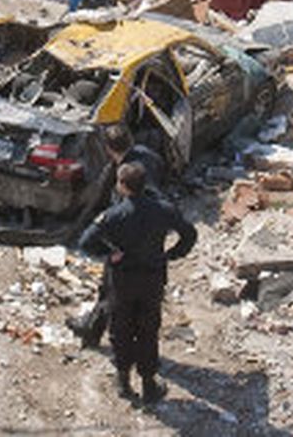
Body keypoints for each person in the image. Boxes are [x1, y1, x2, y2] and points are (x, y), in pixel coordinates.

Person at [78, 162, 196, 405]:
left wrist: (109, 255)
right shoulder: (164, 210)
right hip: (152, 280)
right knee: (148, 329)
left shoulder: (114, 215)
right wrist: (171, 254)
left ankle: (123, 381)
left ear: (122, 186)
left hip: (122, 282)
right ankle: (149, 384)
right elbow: (189, 234)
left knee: (121, 329)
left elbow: (85, 242)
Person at [68, 124, 169, 348]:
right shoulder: (147, 156)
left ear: (108, 149)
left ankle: (94, 332)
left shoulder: (126, 175)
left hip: (130, 240)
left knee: (112, 287)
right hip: (152, 239)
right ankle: (95, 329)